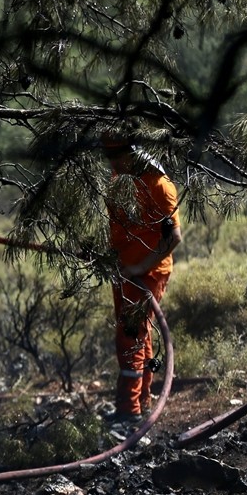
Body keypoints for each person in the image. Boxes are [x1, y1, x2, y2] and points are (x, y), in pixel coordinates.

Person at [103, 133, 182, 427]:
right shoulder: (120, 178)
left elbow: (172, 237)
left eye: (117, 156)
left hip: (147, 274)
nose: (113, 164)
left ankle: (129, 411)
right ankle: (141, 403)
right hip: (124, 271)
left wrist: (139, 268)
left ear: (132, 152)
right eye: (109, 157)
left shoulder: (160, 186)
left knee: (129, 338)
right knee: (138, 337)